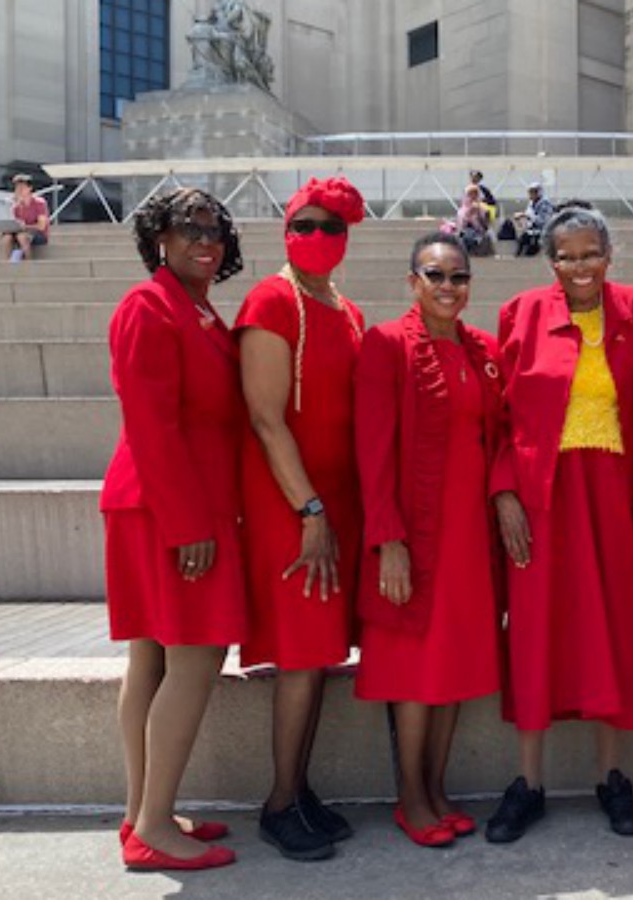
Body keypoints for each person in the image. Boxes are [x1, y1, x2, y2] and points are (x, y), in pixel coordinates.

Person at [485, 206, 633, 844]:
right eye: (567, 256)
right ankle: (528, 782)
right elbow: (501, 416)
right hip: (540, 496)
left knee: (611, 629)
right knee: (535, 632)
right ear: (551, 261)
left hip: (616, 494)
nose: (580, 267)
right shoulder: (523, 314)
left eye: (591, 254)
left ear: (610, 256)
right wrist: (505, 492)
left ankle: (611, 776)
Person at [100, 186, 247, 872]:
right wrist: (189, 523)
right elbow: (150, 424)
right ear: (160, 236)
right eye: (190, 229)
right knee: (192, 656)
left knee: (154, 660)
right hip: (169, 508)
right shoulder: (148, 306)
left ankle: (141, 815)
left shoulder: (197, 308)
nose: (204, 241)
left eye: (214, 231)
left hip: (176, 503)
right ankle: (155, 824)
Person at [353, 233, 505, 848]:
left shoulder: (483, 350)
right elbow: (373, 450)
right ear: (412, 281)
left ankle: (437, 787)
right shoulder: (386, 346)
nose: (448, 287)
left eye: (459, 277)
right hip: (414, 532)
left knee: (455, 667)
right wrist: (388, 538)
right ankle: (410, 797)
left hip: (469, 538)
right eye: (436, 275)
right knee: (415, 672)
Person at [236, 176, 367, 863]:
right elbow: (265, 417)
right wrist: (309, 509)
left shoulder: (345, 310)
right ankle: (280, 802)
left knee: (319, 655)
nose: (315, 237)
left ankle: (299, 789)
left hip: (336, 501)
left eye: (329, 227)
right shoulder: (270, 300)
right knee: (300, 652)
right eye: (304, 225)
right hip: (294, 503)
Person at [2, 174, 51, 262]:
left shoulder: (39, 203)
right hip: (23, 233)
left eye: (22, 188)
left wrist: (26, 227)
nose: (19, 191)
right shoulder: (16, 207)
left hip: (39, 234)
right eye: (17, 188)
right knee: (7, 237)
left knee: (22, 236)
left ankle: (29, 261)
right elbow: (17, 224)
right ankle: (8, 261)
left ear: (30, 188)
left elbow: (42, 226)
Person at [511, 182, 555, 258]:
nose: (531, 194)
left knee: (530, 243)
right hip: (532, 230)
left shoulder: (545, 204)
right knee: (522, 239)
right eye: (530, 192)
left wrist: (526, 216)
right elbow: (528, 216)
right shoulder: (531, 203)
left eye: (534, 192)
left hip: (542, 231)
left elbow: (544, 221)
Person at [454, 184, 493, 257]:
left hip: (479, 233)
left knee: (487, 237)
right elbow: (461, 226)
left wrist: (482, 214)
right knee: (467, 236)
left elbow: (486, 225)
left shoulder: (482, 208)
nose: (473, 197)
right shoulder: (462, 211)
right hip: (466, 234)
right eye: (470, 194)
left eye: (475, 194)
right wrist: (469, 213)